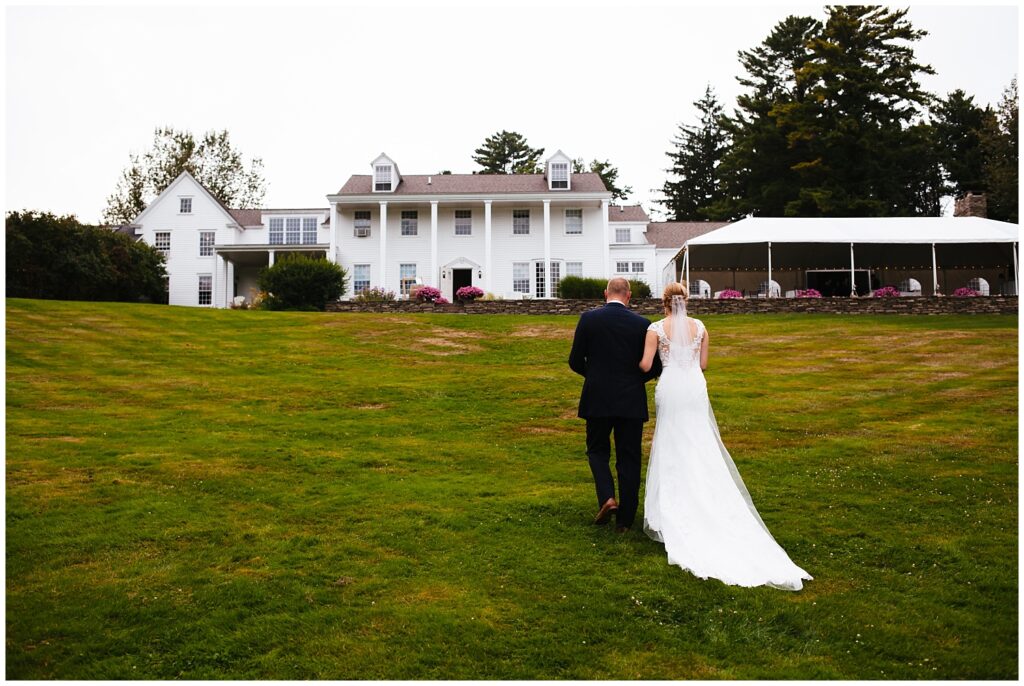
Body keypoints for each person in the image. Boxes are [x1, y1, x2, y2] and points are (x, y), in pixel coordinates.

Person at [639, 282, 812, 590]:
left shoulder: (655, 328)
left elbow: (644, 364)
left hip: (671, 386)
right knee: (698, 439)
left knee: (672, 440)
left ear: (664, 301)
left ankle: (672, 508)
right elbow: (703, 364)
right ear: (686, 301)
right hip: (693, 385)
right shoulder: (701, 327)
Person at [569, 277, 661, 532]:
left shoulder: (588, 319)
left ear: (605, 293)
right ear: (629, 296)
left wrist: (596, 376)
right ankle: (625, 521)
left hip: (597, 396)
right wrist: (633, 379)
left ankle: (608, 498)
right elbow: (654, 366)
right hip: (631, 399)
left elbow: (575, 360)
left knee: (597, 450)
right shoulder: (643, 325)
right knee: (629, 457)